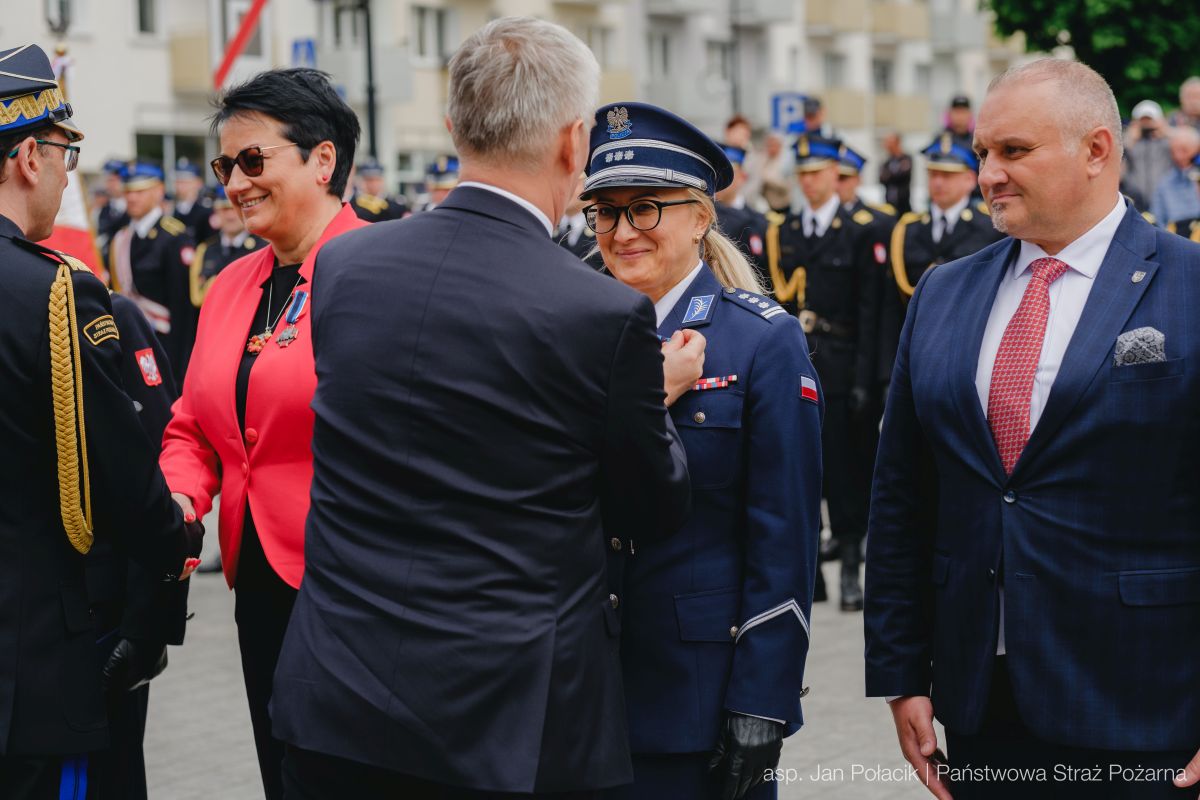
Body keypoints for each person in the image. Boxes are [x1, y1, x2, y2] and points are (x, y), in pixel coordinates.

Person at [270, 17, 695, 798]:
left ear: (453, 126)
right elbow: (651, 505)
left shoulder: (344, 267)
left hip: (336, 702)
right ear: (575, 142)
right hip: (504, 726)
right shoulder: (599, 313)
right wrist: (655, 396)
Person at [865, 58, 1200, 799]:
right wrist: (900, 673)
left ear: (1097, 150)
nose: (988, 174)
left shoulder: (1190, 284)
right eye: (982, 152)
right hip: (980, 701)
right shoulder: (944, 292)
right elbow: (901, 498)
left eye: (1014, 151)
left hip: (1147, 704)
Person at [584, 101, 823, 800]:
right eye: (605, 212)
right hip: (578, 690)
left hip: (697, 694)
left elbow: (784, 534)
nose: (622, 232)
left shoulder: (760, 340)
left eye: (646, 209)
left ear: (699, 218)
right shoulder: (572, 333)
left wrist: (763, 698)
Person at [157, 67, 367, 800]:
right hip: (260, 585)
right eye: (225, 167)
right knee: (281, 772)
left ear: (322, 159)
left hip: (355, 586)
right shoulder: (231, 286)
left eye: (253, 160)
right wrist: (181, 501)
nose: (236, 183)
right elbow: (191, 426)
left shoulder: (385, 271)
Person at [0, 42, 200, 799]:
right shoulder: (56, 293)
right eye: (65, 153)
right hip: (34, 655)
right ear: (29, 157)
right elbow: (119, 475)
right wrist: (176, 536)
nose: (66, 174)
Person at [766, 133, 882, 613]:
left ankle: (851, 567)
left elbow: (871, 312)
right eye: (803, 175)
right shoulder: (785, 230)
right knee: (797, 471)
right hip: (797, 362)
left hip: (841, 361)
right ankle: (810, 573)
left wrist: (866, 380)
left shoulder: (858, 230)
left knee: (846, 473)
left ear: (837, 175)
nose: (809, 183)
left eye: (817, 173)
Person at [107, 161, 197, 381]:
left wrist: (180, 369)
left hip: (165, 345)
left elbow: (183, 311)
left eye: (139, 191)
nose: (132, 198)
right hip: (131, 340)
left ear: (159, 191)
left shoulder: (174, 237)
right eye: (128, 191)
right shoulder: (121, 237)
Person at [189, 185, 266, 309]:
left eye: (234, 209)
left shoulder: (263, 248)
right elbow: (197, 298)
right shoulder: (205, 250)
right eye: (224, 209)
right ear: (216, 212)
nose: (230, 216)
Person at [715, 143, 768, 282]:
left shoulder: (758, 221)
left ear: (742, 177)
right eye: (716, 173)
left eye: (727, 174)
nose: (719, 180)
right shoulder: (704, 217)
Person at [1121, 98, 1172, 212]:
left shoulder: (1168, 141)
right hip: (1136, 201)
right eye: (1143, 121)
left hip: (1164, 201)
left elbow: (1190, 147)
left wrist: (1167, 132)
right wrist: (1128, 141)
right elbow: (1118, 166)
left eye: (1150, 120)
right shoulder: (1128, 141)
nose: (1147, 125)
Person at [1150, 126, 1200, 228]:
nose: (1178, 156)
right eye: (1173, 151)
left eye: (1184, 150)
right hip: (1175, 234)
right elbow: (1157, 219)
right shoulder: (1165, 183)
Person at [350, 157, 408, 222]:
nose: (373, 184)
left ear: (382, 181)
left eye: (377, 180)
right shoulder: (352, 204)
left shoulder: (394, 204)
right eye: (369, 180)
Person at [171, 158, 214, 242]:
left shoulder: (206, 211)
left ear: (198, 183)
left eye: (185, 182)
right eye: (178, 182)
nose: (180, 186)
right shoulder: (173, 210)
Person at [878, 131, 912, 215]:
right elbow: (881, 179)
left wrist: (889, 175)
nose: (887, 146)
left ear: (897, 143)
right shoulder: (887, 162)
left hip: (903, 205)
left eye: (890, 143)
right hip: (889, 204)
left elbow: (902, 175)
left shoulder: (906, 159)